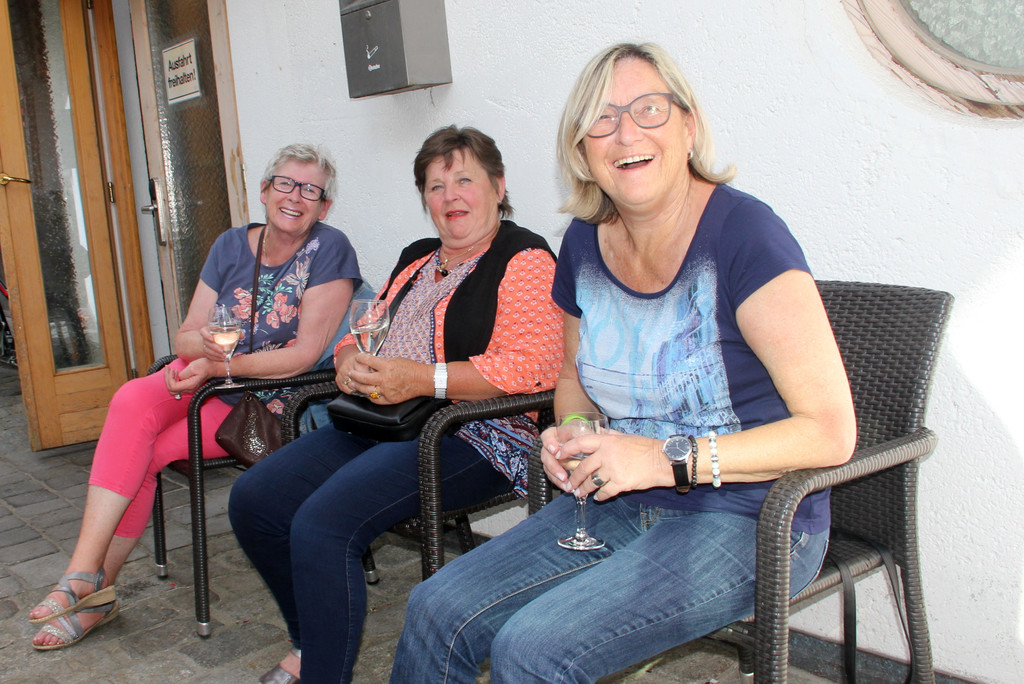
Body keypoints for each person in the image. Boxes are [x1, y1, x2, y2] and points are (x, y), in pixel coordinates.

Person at [390, 43, 858, 683]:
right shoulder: (583, 243)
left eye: (648, 109)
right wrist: (573, 433)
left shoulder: (744, 235)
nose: (626, 133)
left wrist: (663, 460)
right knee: (436, 608)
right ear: (581, 150)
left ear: (689, 125)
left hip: (750, 514)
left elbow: (830, 432)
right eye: (602, 119)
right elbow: (573, 379)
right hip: (621, 497)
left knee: (534, 650)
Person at [229, 125, 563, 684]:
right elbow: (364, 330)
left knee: (323, 523)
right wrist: (346, 360)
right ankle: (311, 643)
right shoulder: (417, 258)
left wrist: (423, 379)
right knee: (255, 500)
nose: (450, 197)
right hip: (383, 420)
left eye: (464, 180)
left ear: (498, 186)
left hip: (471, 433)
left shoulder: (523, 258)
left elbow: (530, 367)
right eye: (435, 186)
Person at [28, 144, 362, 650]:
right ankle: (83, 574)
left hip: (257, 400)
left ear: (324, 206)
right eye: (286, 183)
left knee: (150, 452)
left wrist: (221, 365)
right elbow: (186, 335)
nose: (296, 197)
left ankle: (92, 590)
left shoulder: (330, 249)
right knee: (129, 402)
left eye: (310, 190)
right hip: (200, 375)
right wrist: (203, 350)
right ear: (264, 190)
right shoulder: (230, 245)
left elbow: (303, 355)